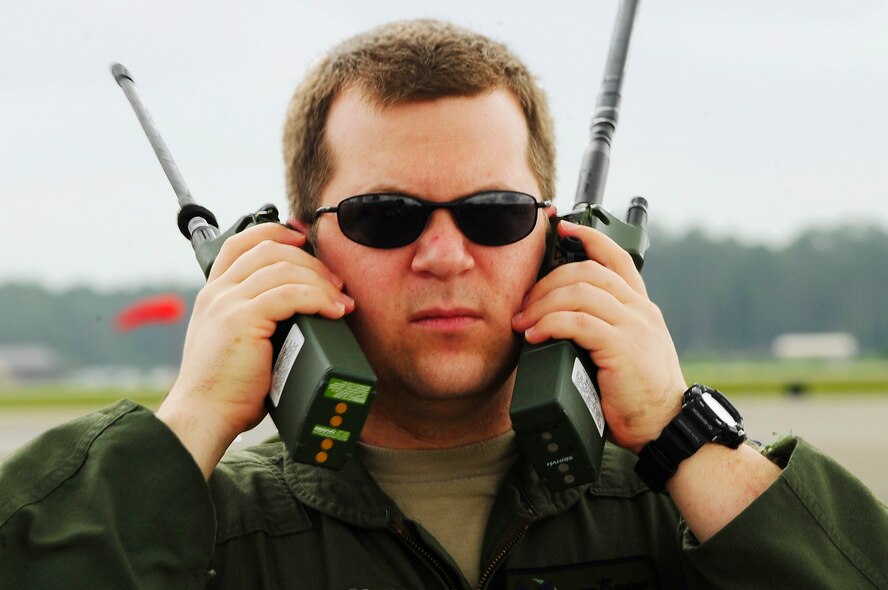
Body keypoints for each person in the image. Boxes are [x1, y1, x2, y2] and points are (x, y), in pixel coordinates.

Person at [1, 19, 886, 590]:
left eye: (493, 214)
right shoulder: (205, 536)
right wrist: (189, 422)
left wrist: (676, 430)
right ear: (299, 247)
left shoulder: (687, 518)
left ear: (561, 237)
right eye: (385, 216)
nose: (445, 256)